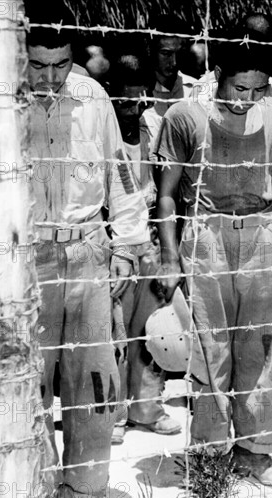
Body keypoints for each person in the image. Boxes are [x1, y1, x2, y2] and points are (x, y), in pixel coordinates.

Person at [154, 41, 272, 486]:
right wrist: (168, 256)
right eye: (238, 88)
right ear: (217, 74)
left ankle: (256, 451)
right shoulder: (184, 117)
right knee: (209, 350)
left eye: (257, 91)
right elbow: (166, 192)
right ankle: (211, 455)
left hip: (262, 239)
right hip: (207, 240)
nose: (246, 100)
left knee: (262, 350)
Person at [26, 16, 149, 498]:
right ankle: (28, 489)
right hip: (23, 259)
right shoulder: (0, 99)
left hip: (87, 252)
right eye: (37, 65)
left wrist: (128, 245)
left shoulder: (93, 96)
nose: (50, 78)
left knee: (93, 376)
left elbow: (119, 173)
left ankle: (85, 486)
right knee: (25, 380)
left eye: (60, 65)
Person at [109, 54, 182, 443]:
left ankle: (148, 408)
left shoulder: (151, 127)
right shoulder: (104, 136)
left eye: (139, 99)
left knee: (152, 331)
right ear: (110, 96)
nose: (133, 108)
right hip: (116, 252)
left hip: (149, 246)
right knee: (115, 337)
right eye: (125, 100)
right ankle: (115, 414)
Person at [140, 16, 198, 166]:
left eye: (179, 54)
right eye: (166, 54)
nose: (174, 62)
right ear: (149, 49)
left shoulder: (196, 90)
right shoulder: (138, 95)